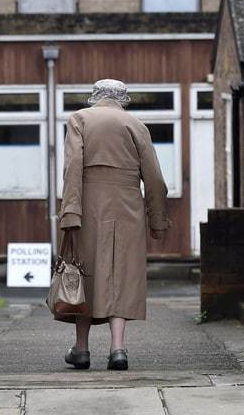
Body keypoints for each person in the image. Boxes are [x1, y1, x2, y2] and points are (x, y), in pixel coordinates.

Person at [55, 78, 171, 370]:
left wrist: (70, 212)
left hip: (88, 207)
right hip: (127, 209)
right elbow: (155, 179)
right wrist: (157, 220)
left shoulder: (79, 119)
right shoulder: (136, 125)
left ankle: (81, 349)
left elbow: (72, 169)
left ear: (95, 97)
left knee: (84, 273)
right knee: (122, 275)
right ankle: (118, 349)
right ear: (123, 99)